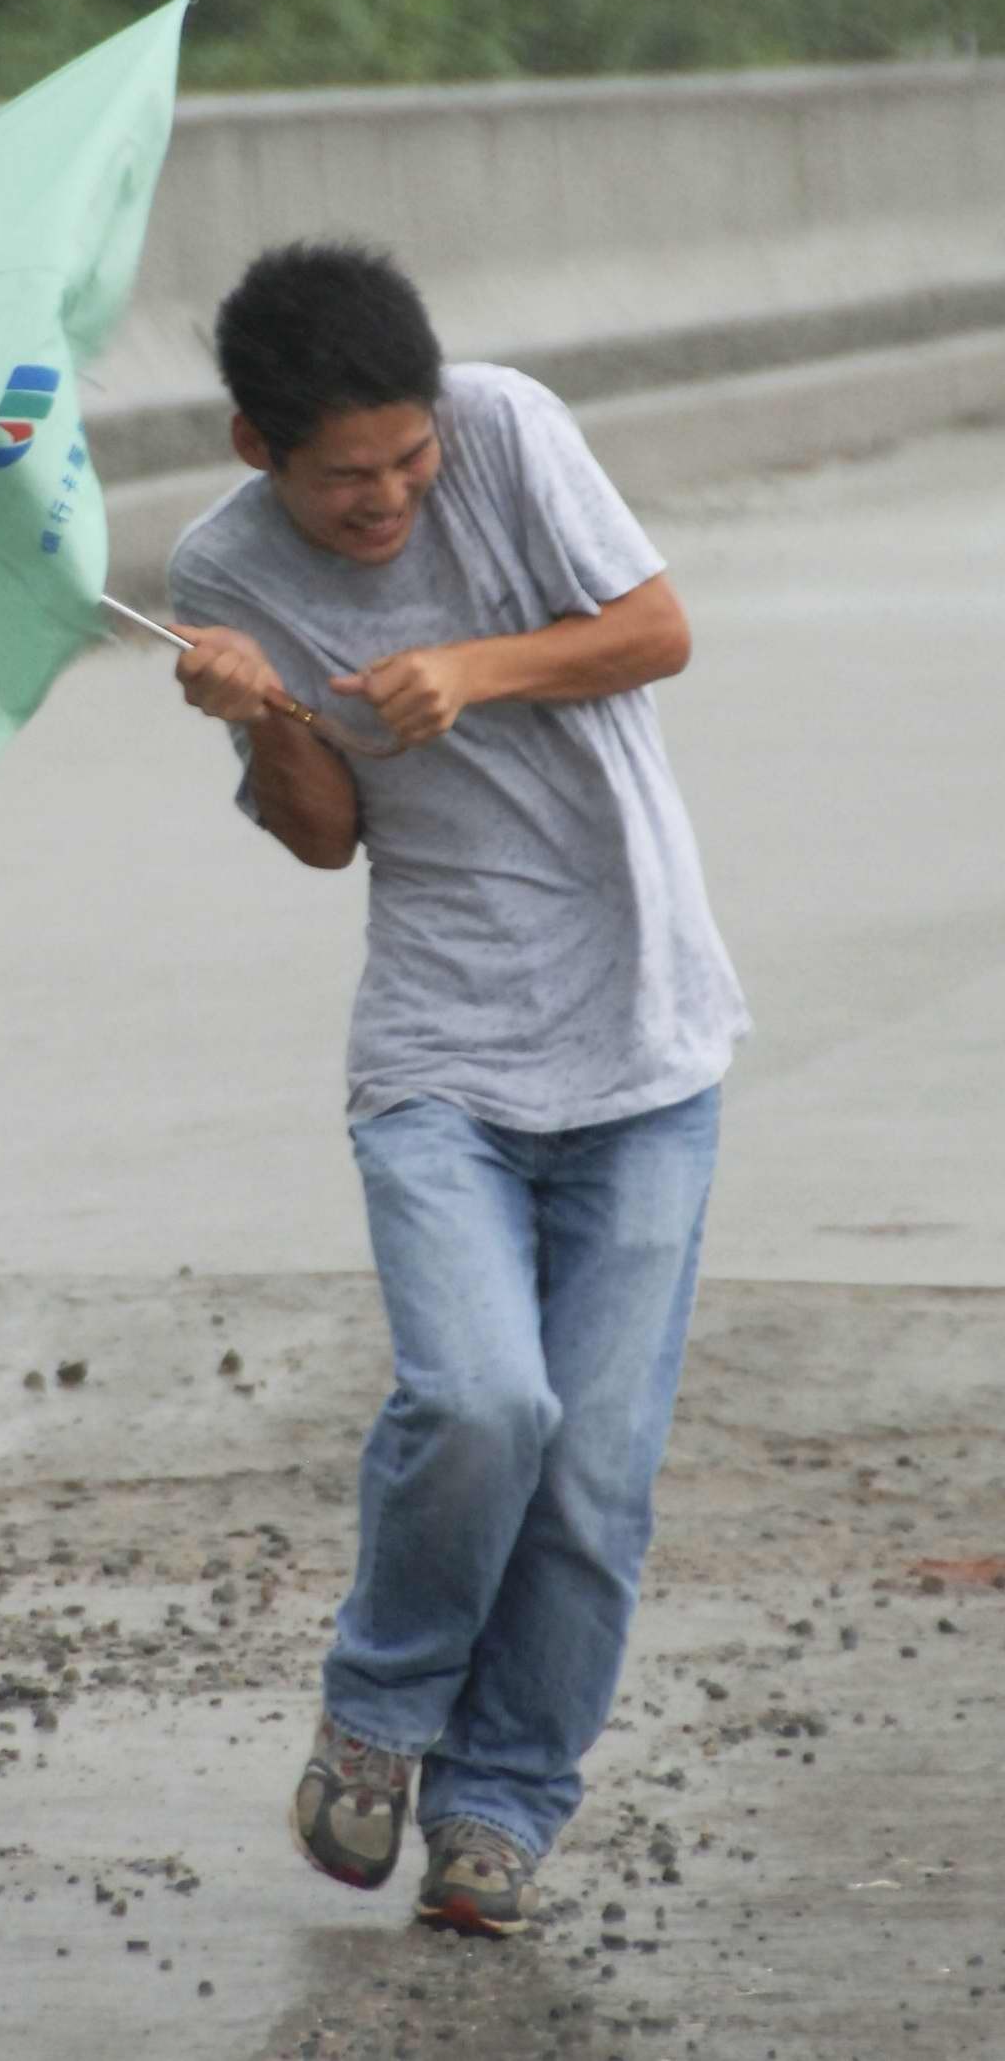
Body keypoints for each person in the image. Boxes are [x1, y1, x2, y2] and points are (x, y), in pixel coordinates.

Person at [166, 239, 748, 1937]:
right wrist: (267, 718)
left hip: (649, 1042)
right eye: (346, 476)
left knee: (591, 1472)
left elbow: (658, 627)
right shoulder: (220, 569)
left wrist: (470, 667)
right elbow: (326, 834)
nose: (390, 498)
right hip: (441, 1054)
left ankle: (499, 1802)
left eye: (408, 460)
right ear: (254, 449)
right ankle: (377, 1710)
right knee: (484, 1402)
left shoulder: (506, 429)